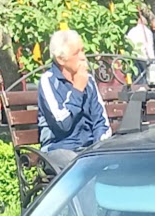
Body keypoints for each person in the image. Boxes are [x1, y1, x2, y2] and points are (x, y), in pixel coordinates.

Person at [37, 29, 112, 172]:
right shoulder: (48, 81)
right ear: (61, 59)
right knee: (81, 167)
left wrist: (99, 149)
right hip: (58, 150)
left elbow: (101, 122)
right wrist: (77, 89)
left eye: (83, 51)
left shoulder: (88, 81)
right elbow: (62, 124)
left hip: (88, 150)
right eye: (77, 53)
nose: (83, 57)